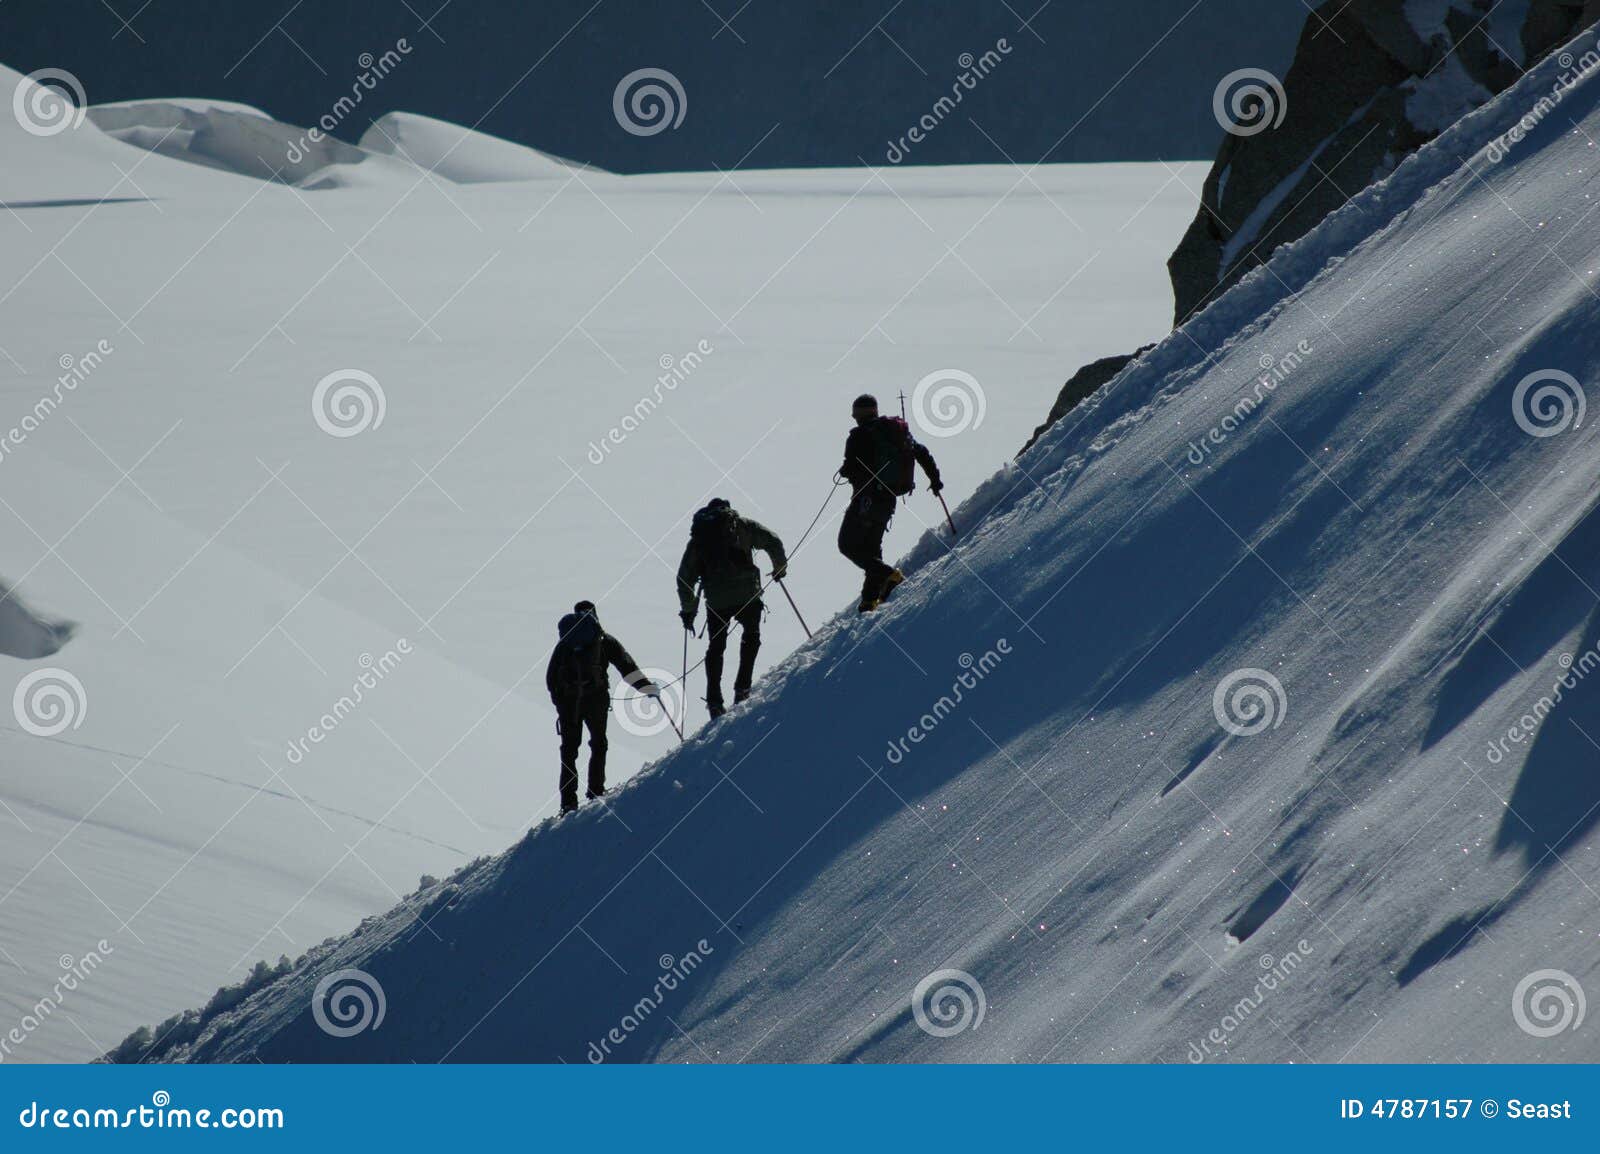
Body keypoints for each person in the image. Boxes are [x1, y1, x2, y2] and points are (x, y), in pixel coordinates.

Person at [676, 498, 788, 718]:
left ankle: (714, 701)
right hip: (747, 594)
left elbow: (684, 578)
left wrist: (689, 610)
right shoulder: (742, 525)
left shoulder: (699, 538)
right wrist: (779, 568)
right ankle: (742, 688)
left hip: (717, 601)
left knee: (716, 648)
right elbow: (772, 540)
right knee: (751, 637)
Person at [545, 600, 659, 814]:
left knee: (569, 752)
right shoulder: (603, 639)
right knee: (598, 744)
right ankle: (596, 789)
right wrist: (646, 688)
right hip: (596, 700)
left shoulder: (565, 643)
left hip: (569, 705)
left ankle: (568, 802)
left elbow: (550, 678)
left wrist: (561, 703)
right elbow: (627, 667)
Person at [838, 394, 943, 612]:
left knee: (847, 544)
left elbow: (851, 468)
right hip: (887, 500)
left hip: (865, 501)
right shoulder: (896, 432)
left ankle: (891, 576)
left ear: (859, 414)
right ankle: (869, 601)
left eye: (855, 413)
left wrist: (846, 470)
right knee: (871, 549)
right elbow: (921, 452)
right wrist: (935, 479)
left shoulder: (858, 436)